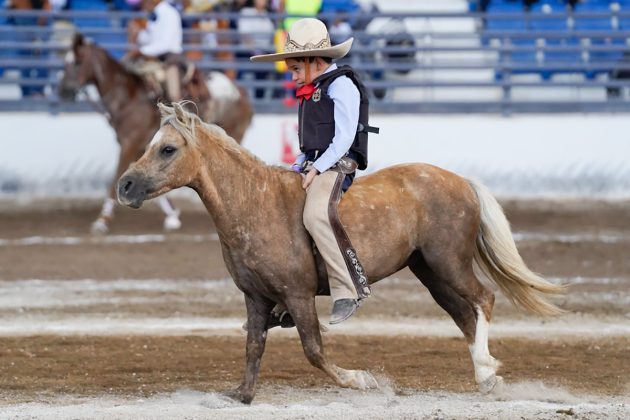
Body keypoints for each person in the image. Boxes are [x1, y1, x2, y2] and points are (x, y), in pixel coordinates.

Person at [251, 18, 378, 324]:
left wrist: (317, 168)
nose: (293, 76)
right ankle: (289, 295)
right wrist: (298, 165)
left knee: (315, 214)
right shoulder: (316, 88)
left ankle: (346, 289)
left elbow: (344, 138)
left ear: (315, 61)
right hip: (316, 164)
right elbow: (314, 143)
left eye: (296, 69)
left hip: (338, 165)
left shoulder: (342, 85)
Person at [126, 0, 184, 102]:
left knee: (174, 95)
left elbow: (165, 44)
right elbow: (151, 39)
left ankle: (181, 115)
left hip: (170, 59)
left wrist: (140, 51)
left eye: (144, 2)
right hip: (154, 57)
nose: (142, 5)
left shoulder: (170, 13)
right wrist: (137, 33)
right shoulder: (153, 16)